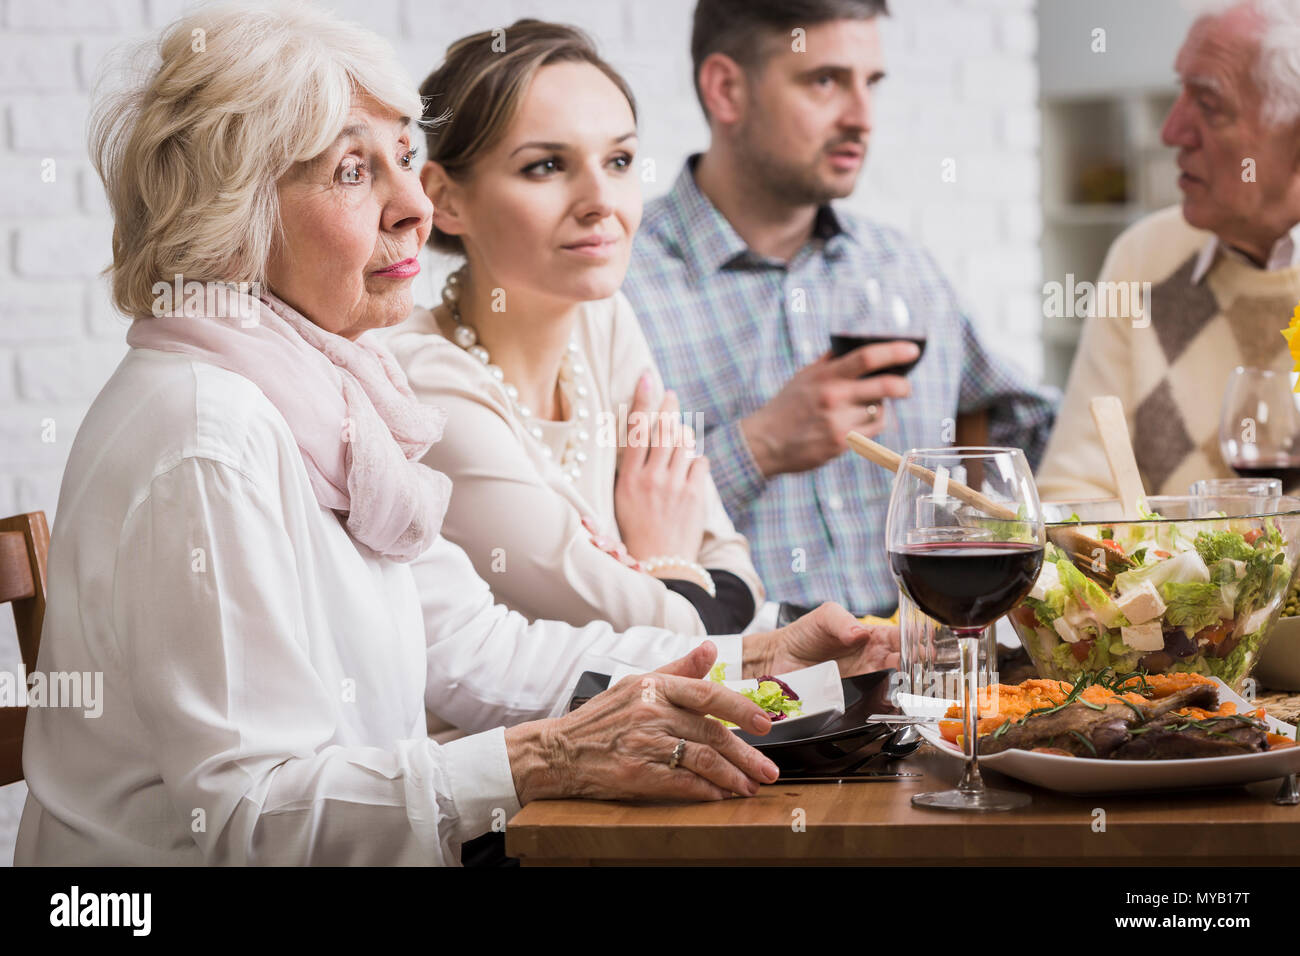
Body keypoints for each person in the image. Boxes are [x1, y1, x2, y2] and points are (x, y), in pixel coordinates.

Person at [14, 1, 898, 867]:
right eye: (353, 171)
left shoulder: (332, 391)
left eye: (405, 157)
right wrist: (541, 759)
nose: (414, 206)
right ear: (231, 213)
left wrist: (756, 656)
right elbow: (254, 818)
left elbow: (477, 651)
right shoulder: (208, 435)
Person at [622, 0, 1057, 617]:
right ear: (726, 90)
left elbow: (1021, 429)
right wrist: (760, 445)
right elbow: (587, 538)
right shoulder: (618, 287)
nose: (862, 118)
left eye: (870, 84)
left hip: (921, 678)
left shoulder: (902, 267)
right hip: (748, 692)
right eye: (824, 81)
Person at [383, 21, 764, 636]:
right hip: (514, 734)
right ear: (445, 200)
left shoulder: (603, 320)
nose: (600, 200)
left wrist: (672, 580)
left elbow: (734, 565)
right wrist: (666, 558)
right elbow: (644, 625)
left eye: (619, 160)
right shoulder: (420, 380)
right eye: (546, 166)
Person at [1037, 0, 1300, 500]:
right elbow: (1070, 496)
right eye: (1180, 91)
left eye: (1209, 103)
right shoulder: (1143, 256)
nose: (1171, 131)